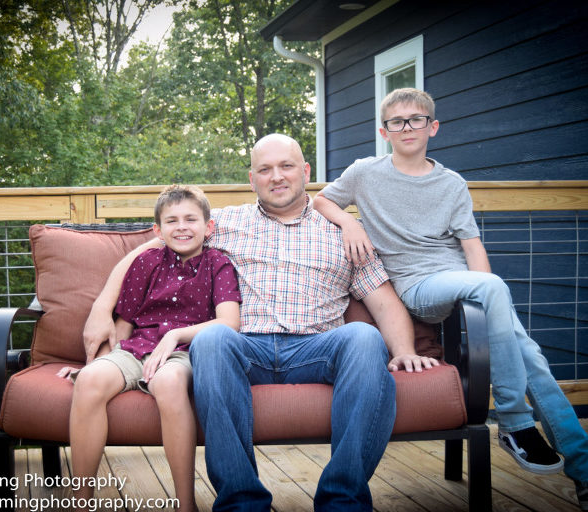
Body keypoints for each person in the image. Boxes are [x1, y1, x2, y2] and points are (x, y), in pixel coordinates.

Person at [313, 87, 588, 511]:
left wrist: (489, 302)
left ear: (433, 127)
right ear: (384, 131)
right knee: (493, 290)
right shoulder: (365, 173)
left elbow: (472, 247)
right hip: (416, 287)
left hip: (464, 285)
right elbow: (321, 199)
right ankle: (513, 420)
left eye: (416, 119)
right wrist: (350, 223)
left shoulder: (451, 183)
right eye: (396, 122)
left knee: (533, 359)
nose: (407, 127)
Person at [82, 134, 438, 511]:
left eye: (286, 166)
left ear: (305, 172)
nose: (277, 176)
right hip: (244, 345)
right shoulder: (223, 223)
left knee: (365, 337)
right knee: (212, 340)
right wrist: (101, 309)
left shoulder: (341, 233)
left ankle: (342, 500)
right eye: (265, 170)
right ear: (252, 180)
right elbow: (148, 249)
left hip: (316, 347)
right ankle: (242, 502)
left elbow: (383, 300)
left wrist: (404, 350)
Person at [57, 185, 242, 512]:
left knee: (168, 382)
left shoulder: (219, 265)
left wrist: (176, 335)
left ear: (208, 227)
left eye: (190, 219)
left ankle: (185, 504)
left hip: (186, 351)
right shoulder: (146, 262)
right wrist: (97, 363)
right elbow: (124, 324)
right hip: (137, 348)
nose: (181, 227)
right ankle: (81, 502)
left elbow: (229, 322)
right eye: (172, 221)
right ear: (158, 230)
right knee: (90, 380)